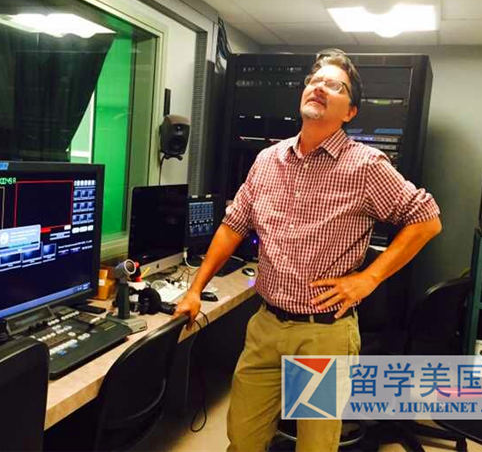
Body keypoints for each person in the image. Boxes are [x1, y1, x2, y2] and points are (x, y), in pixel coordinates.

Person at [174, 48, 442, 452]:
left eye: (334, 85)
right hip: (265, 326)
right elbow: (233, 226)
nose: (319, 87)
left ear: (350, 111)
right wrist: (196, 288)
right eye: (315, 81)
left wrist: (369, 278)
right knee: (242, 440)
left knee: (315, 446)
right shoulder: (267, 160)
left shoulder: (366, 165)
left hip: (324, 334)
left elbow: (427, 219)